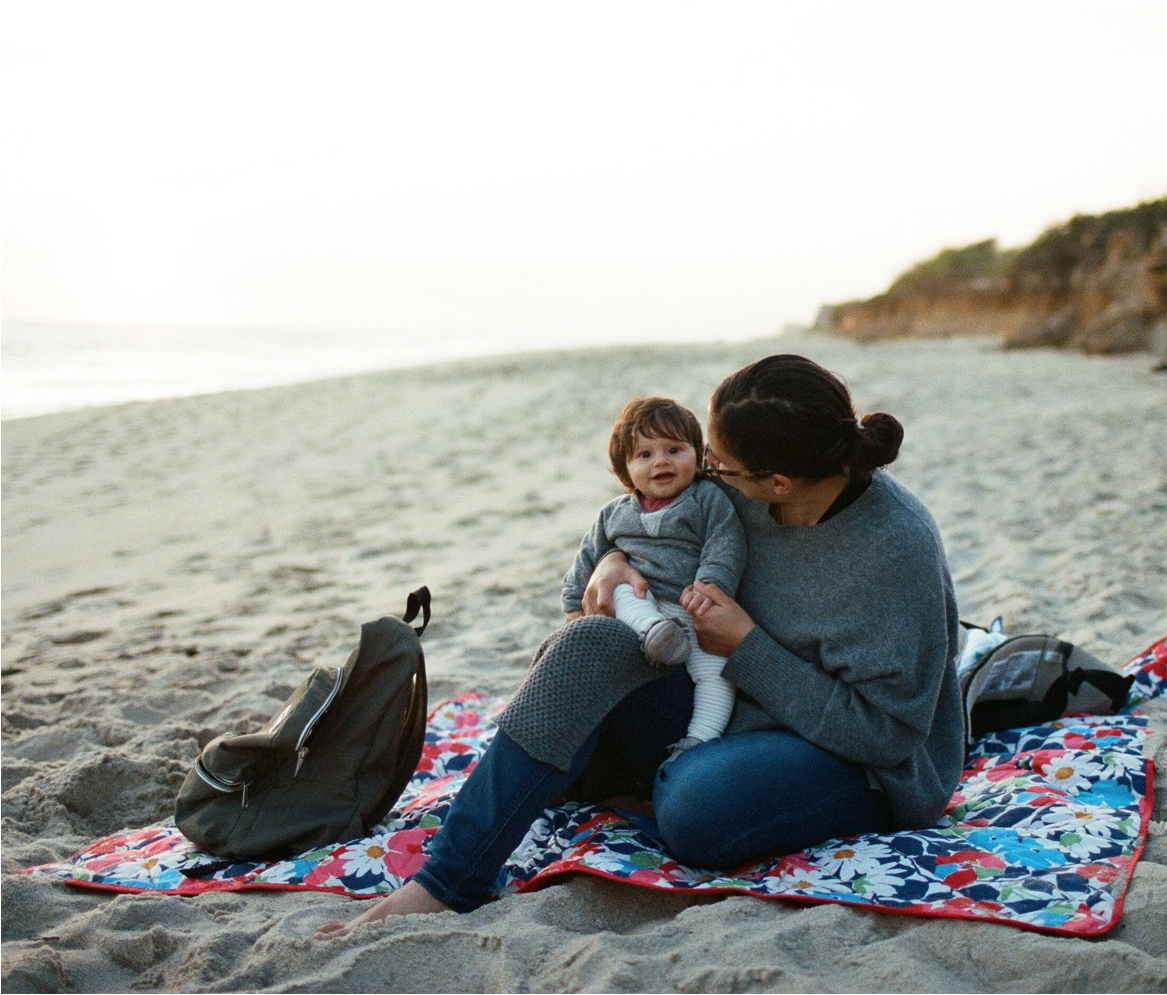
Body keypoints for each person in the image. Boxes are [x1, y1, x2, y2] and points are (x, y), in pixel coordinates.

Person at [316, 354, 963, 938]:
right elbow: (649, 533)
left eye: (720, 465)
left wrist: (746, 644)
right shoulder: (730, 495)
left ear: (779, 482)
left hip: (860, 762)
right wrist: (614, 562)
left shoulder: (892, 548)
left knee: (694, 808)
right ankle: (447, 878)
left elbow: (888, 734)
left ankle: (633, 778)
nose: (705, 473)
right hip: (725, 704)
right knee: (585, 646)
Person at [560, 396, 744, 754]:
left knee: (717, 676)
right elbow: (586, 564)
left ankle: (700, 737)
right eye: (645, 455)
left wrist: (710, 586)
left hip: (697, 610)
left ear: (698, 454)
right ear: (624, 469)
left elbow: (726, 543)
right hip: (645, 605)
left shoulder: (706, 498)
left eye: (675, 449)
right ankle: (654, 632)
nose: (661, 461)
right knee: (621, 588)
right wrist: (572, 608)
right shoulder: (614, 514)